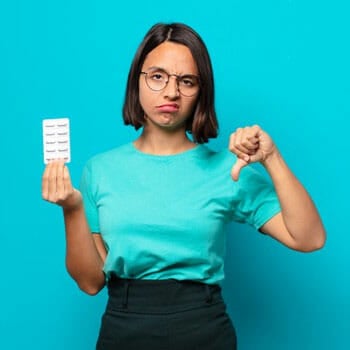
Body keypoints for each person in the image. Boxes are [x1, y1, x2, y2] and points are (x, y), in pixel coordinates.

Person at [41, 22, 326, 350]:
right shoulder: (100, 170)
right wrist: (72, 208)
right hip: (124, 326)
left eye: (187, 81)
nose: (171, 92)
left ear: (201, 92)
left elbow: (310, 238)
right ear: (137, 81)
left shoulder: (229, 169)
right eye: (158, 76)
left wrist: (272, 158)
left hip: (204, 329)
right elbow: (90, 282)